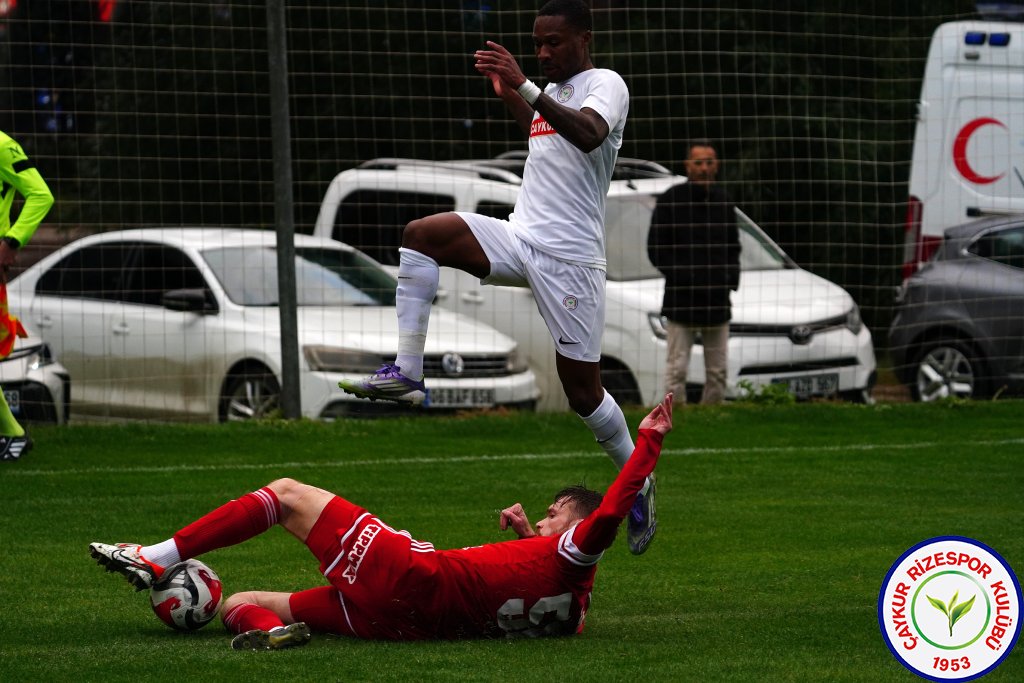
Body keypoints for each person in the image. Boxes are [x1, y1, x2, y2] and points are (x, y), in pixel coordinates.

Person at [337, 0, 657, 555]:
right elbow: (546, 133)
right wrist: (514, 95)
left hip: (571, 260)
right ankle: (408, 372)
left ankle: (639, 481)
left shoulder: (607, 83)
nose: (542, 53)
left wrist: (524, 83)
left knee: (583, 393)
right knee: (421, 234)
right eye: (536, 44)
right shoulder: (550, 92)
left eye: (553, 42)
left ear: (584, 37)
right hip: (520, 235)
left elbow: (587, 136)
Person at [89, 394, 673, 649]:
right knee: (242, 599)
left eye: (555, 514)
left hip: (411, 576)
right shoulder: (573, 611)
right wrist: (527, 538)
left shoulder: (578, 550)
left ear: (579, 526)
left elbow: (609, 513)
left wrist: (646, 444)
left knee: (287, 494)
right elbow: (535, 590)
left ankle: (158, 555)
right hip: (404, 623)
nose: (548, 520)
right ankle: (270, 634)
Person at [647, 140, 739, 406]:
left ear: (717, 166)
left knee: (718, 371)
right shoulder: (670, 201)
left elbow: (734, 246)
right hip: (681, 299)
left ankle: (712, 417)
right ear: (687, 166)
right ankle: (673, 416)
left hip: (717, 300)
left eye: (709, 162)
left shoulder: (724, 203)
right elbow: (656, 250)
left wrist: (730, 280)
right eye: (698, 163)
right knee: (677, 369)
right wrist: (686, 278)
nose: (704, 168)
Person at [0, 130, 54, 461]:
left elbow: (41, 195)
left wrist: (11, 241)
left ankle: (13, 434)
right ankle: (11, 433)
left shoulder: (3, 146)